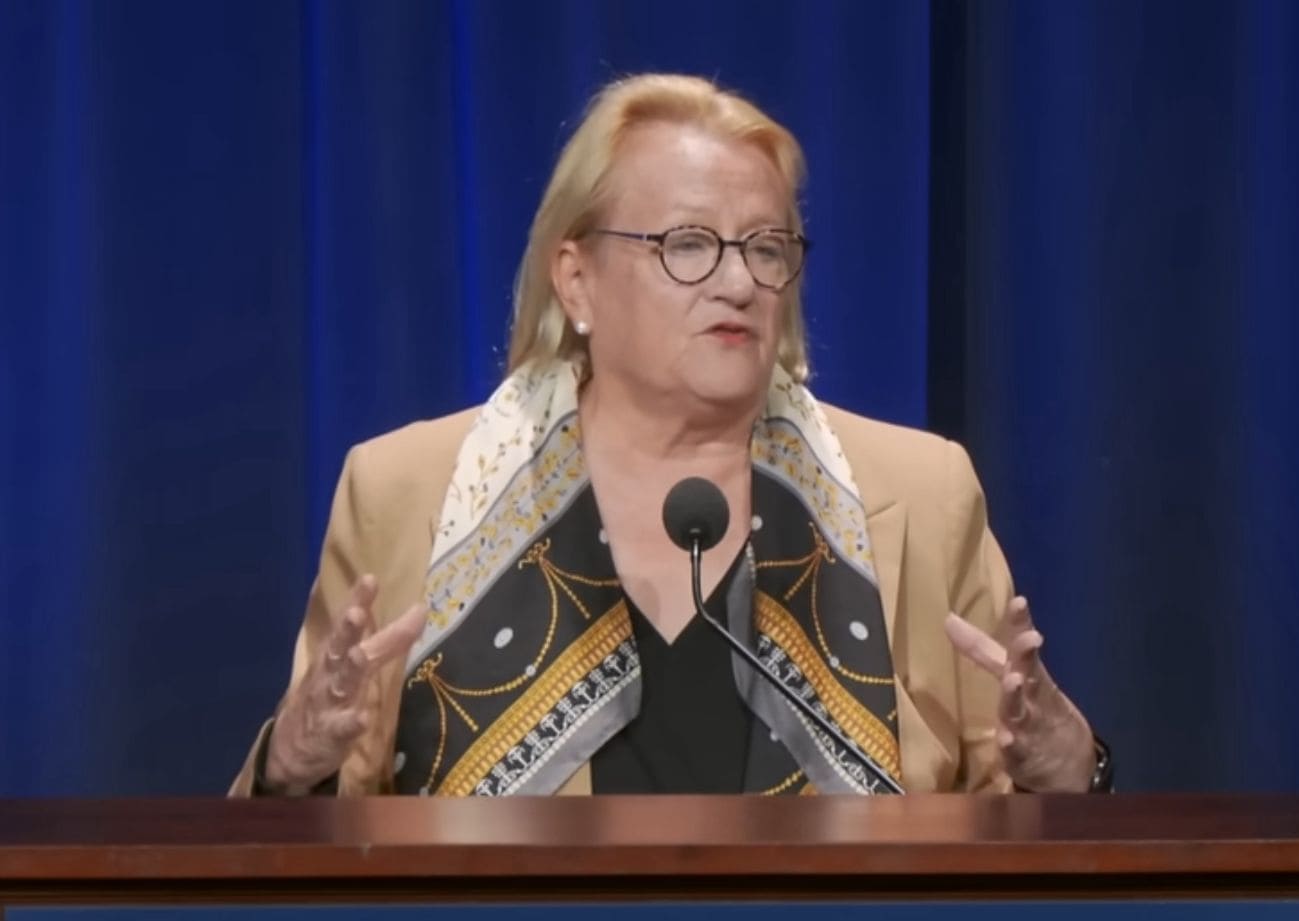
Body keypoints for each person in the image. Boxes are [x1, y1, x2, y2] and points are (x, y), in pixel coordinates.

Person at [230, 73, 1107, 798]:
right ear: (576, 279)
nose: (739, 282)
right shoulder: (403, 490)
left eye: (766, 247)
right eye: (688, 244)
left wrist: (1071, 769)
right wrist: (291, 764)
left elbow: (1022, 824)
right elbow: (294, 840)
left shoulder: (921, 492)